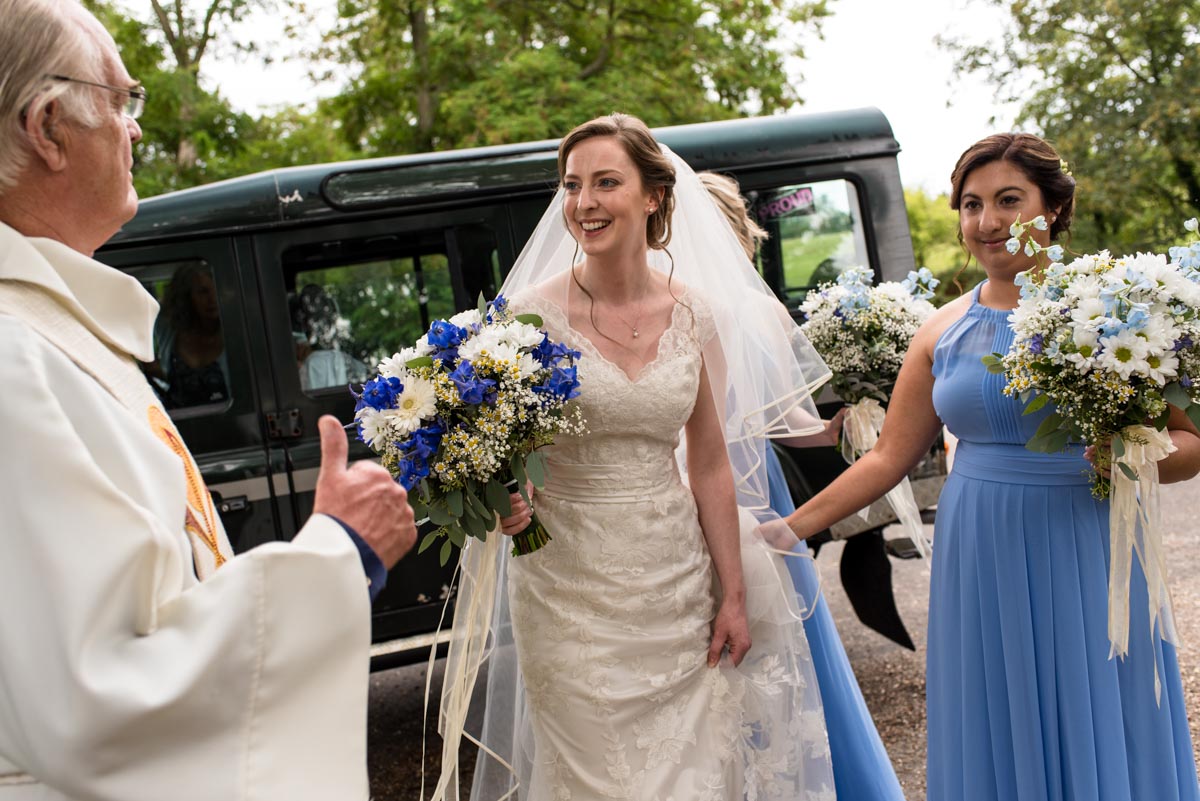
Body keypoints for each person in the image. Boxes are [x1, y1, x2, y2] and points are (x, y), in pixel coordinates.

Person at [0, 1, 418, 798]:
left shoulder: (53, 329)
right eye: (121, 101)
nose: (134, 130)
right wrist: (340, 552)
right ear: (47, 127)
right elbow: (100, 699)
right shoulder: (15, 355)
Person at [775, 133, 1200, 801]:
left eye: (1009, 200)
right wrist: (789, 528)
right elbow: (889, 454)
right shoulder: (941, 330)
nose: (987, 221)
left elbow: (1190, 446)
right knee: (995, 715)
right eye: (972, 205)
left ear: (1053, 209)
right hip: (980, 552)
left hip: (1086, 542)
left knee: (1093, 707)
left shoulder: (1117, 316)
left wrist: (1133, 452)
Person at [429, 114, 838, 801]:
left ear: (653, 195)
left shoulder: (695, 313)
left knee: (695, 776)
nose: (584, 202)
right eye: (572, 185)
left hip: (676, 584)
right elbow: (489, 443)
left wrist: (731, 594)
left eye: (605, 182)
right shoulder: (524, 319)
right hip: (567, 591)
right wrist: (505, 495)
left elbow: (708, 462)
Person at [699, 169, 907, 801]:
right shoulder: (663, 305)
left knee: (784, 652)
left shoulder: (757, 309)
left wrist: (846, 421)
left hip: (755, 499)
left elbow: (787, 424)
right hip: (683, 499)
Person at [149, 263, 230, 407]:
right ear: (186, 297)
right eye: (203, 292)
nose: (212, 298)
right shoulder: (168, 329)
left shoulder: (236, 332)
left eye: (217, 289)